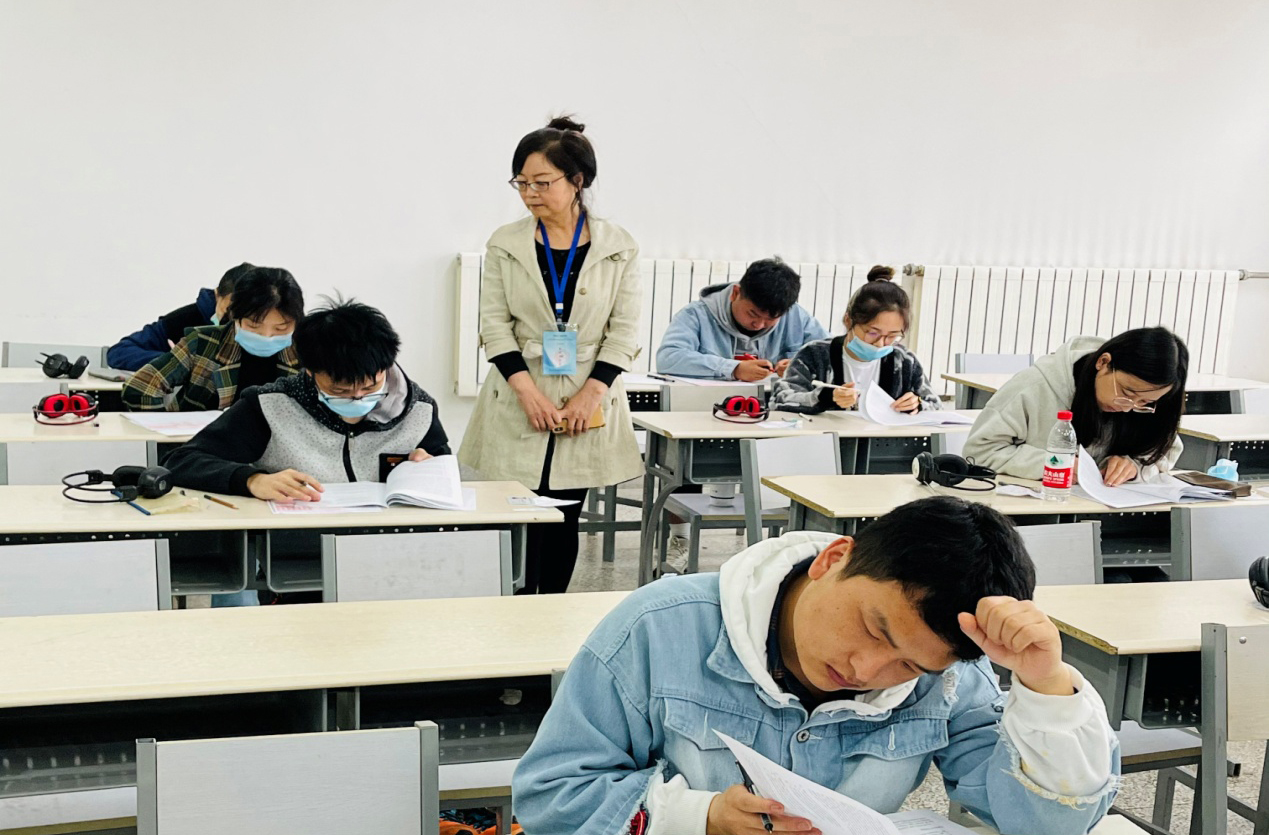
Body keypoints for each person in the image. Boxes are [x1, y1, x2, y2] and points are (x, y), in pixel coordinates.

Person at [512, 497, 1118, 835]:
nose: (866, 670)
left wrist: (1044, 688)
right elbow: (549, 798)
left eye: (907, 666)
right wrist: (699, 818)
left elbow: (1046, 828)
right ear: (834, 559)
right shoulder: (659, 627)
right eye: (873, 627)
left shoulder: (950, 675)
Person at [458, 116, 642, 594]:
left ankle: (550, 618)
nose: (530, 193)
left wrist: (590, 396)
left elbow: (623, 331)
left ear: (577, 180)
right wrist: (528, 394)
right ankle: (511, 617)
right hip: (519, 393)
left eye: (542, 182)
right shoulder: (506, 243)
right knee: (514, 516)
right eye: (521, 183)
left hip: (587, 398)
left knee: (564, 518)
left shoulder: (618, 246)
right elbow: (494, 326)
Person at [164, 296, 450, 498]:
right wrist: (252, 480)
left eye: (370, 387)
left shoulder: (418, 409)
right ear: (310, 371)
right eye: (340, 391)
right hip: (295, 545)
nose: (357, 397)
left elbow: (443, 470)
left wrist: (430, 467)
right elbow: (182, 461)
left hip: (386, 543)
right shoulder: (270, 405)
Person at [963, 327, 1187, 485]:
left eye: (1145, 402)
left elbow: (1165, 453)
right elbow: (980, 452)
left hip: (1103, 512)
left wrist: (1132, 467)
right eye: (1126, 393)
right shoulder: (1033, 387)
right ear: (1103, 362)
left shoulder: (1146, 406)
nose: (1129, 407)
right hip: (1032, 513)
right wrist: (1053, 465)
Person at [122, 266, 303, 411]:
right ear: (234, 316)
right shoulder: (202, 343)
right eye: (254, 326)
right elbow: (139, 388)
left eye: (281, 328)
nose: (267, 336)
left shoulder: (306, 349)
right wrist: (168, 431)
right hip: (201, 443)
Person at [772, 265, 941, 414]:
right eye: (872, 333)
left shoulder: (904, 361)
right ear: (848, 320)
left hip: (884, 440)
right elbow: (780, 399)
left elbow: (935, 406)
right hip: (829, 438)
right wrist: (824, 397)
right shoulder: (815, 354)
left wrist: (917, 404)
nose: (880, 344)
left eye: (892, 336)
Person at [655, 257, 828, 381]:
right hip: (709, 409)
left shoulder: (796, 317)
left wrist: (800, 366)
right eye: (753, 314)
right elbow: (668, 358)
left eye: (771, 319)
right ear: (735, 293)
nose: (759, 324)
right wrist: (734, 369)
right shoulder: (696, 315)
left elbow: (831, 354)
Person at [105, 262, 252, 371]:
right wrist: (173, 360)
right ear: (217, 295)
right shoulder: (183, 320)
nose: (236, 323)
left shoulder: (263, 335)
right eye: (229, 311)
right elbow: (118, 353)